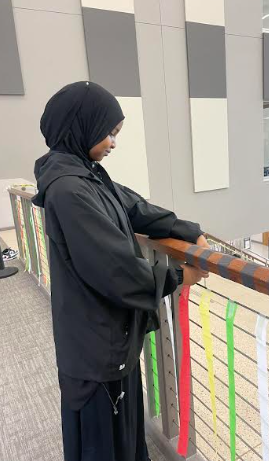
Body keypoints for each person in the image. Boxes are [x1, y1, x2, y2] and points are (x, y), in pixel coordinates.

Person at [32, 81, 209, 461]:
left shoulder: (86, 174)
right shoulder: (70, 190)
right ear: (81, 126)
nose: (114, 142)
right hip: (96, 351)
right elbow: (116, 270)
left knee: (123, 440)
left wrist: (189, 231)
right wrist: (180, 278)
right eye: (109, 132)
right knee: (104, 445)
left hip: (106, 340)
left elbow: (135, 207)